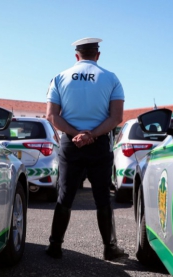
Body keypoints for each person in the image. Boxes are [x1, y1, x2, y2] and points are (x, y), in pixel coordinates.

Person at [45, 37, 127, 261]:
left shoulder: (59, 78)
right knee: (102, 198)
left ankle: (55, 246)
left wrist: (75, 134)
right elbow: (116, 117)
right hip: (99, 144)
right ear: (97, 55)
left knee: (65, 196)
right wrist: (91, 135)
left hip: (70, 144)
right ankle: (110, 248)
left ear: (76, 56)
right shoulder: (111, 78)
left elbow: (52, 116)